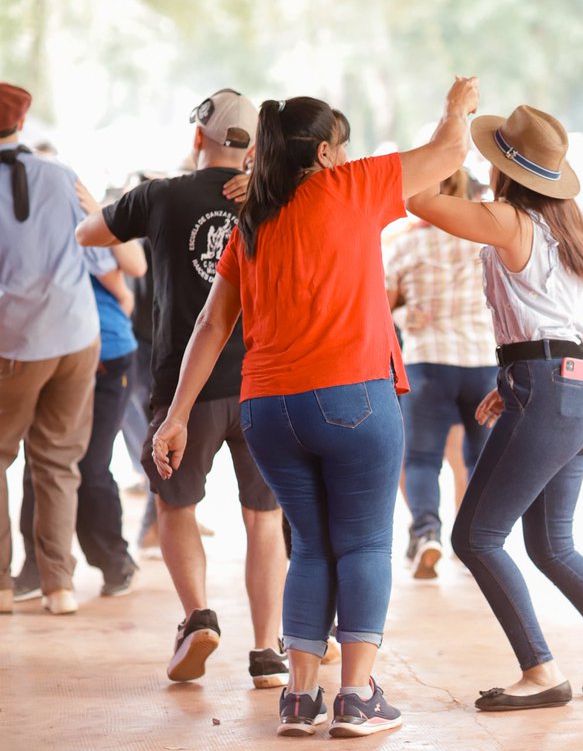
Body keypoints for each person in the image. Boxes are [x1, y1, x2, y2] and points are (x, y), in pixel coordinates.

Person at [151, 78, 479, 737]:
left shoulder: (254, 221)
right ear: (328, 153)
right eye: (345, 145)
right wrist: (459, 108)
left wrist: (177, 414)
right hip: (352, 395)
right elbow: (448, 155)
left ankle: (300, 699)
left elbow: (213, 325)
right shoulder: (349, 186)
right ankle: (356, 697)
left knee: (311, 550)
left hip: (269, 410)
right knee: (361, 544)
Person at [407, 104, 583, 712]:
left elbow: (420, 201)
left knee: (476, 537)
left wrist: (447, 131)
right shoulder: (567, 228)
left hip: (546, 390)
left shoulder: (510, 219)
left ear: (503, 168)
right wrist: (515, 377)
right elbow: (580, 329)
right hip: (579, 389)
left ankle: (540, 669)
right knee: (551, 546)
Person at [75, 89, 289, 689]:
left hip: (183, 390)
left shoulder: (160, 196)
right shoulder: (273, 200)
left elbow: (89, 235)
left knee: (175, 505)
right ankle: (268, 651)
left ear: (199, 137)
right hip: (262, 384)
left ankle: (197, 617)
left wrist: (103, 207)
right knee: (264, 518)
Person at [0, 82, 102, 616]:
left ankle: (0, 587)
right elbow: (100, 255)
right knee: (58, 461)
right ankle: (60, 587)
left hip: (13, 340)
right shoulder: (63, 176)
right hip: (77, 333)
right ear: (21, 122)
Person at [13, 230, 146, 601]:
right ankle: (39, 567)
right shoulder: (27, 232)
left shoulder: (83, 225)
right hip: (48, 354)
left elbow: (129, 281)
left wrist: (93, 214)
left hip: (107, 355)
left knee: (89, 465)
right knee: (40, 462)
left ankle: (115, 561)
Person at [386, 168, 497, 580]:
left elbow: (382, 305)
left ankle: (427, 533)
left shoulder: (407, 245)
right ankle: (479, 543)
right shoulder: (485, 240)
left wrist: (404, 313)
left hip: (428, 361)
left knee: (420, 459)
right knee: (479, 460)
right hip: (482, 360)